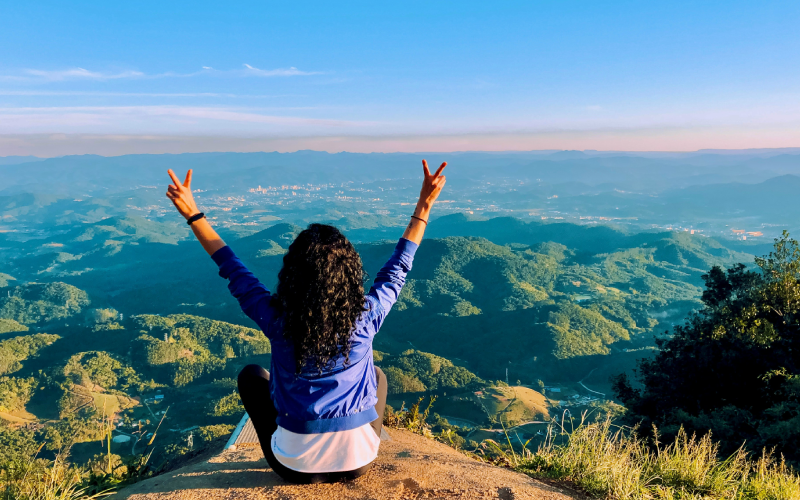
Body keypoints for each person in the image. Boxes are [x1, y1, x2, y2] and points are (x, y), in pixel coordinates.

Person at [165, 159, 448, 484]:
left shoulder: (278, 321)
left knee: (251, 377)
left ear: (293, 278)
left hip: (292, 467)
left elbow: (232, 267)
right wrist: (425, 204)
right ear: (349, 278)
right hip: (360, 463)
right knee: (379, 376)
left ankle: (290, 436)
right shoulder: (365, 318)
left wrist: (193, 215)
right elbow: (398, 267)